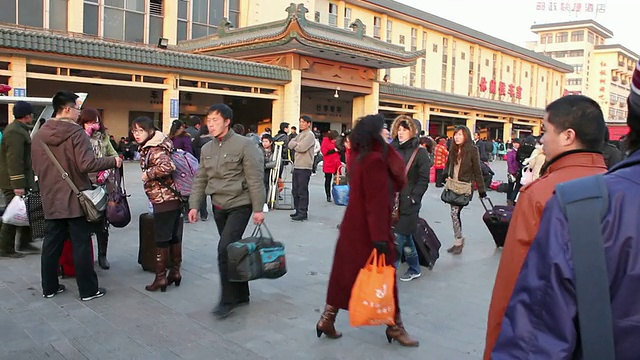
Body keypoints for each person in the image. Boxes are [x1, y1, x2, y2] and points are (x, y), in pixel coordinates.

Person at [491, 92, 640, 359]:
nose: (541, 139)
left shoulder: (543, 194)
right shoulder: (617, 188)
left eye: (545, 130)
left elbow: (515, 289)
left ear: (568, 136)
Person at [316, 114, 419, 347]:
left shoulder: (360, 157)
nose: (387, 132)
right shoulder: (375, 160)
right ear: (375, 134)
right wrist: (380, 237)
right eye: (383, 129)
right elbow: (377, 201)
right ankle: (395, 327)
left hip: (353, 227)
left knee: (344, 276)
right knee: (385, 278)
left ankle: (327, 319)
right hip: (371, 231)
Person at [32, 91, 122, 301]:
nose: (78, 113)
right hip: (74, 198)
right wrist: (112, 161)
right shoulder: (75, 133)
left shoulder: (39, 134)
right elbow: (87, 165)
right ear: (66, 109)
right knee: (81, 243)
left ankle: (49, 287)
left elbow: (36, 166)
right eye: (77, 109)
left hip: (50, 198)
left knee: (51, 243)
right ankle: (88, 290)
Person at [188, 104, 265, 318]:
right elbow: (201, 178)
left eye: (215, 120)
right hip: (219, 206)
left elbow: (255, 178)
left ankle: (227, 300)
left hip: (240, 204)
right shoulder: (206, 149)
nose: (210, 124)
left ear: (227, 121)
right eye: (208, 120)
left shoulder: (245, 145)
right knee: (234, 250)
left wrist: (259, 208)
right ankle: (242, 293)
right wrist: (194, 205)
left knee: (224, 250)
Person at [132, 116, 185, 292]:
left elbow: (168, 166)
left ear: (149, 130)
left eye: (140, 130)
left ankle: (160, 277)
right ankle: (175, 272)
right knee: (173, 236)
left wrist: (147, 174)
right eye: (134, 131)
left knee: (161, 238)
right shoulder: (159, 144)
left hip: (164, 199)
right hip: (173, 198)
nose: (136, 134)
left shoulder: (154, 148)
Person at [390, 116, 430, 281]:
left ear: (412, 132)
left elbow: (423, 179)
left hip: (409, 203)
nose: (401, 133)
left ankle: (391, 269)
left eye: (405, 130)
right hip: (392, 201)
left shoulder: (420, 153)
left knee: (399, 237)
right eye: (399, 129)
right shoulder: (392, 149)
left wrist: (414, 197)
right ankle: (414, 267)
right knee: (404, 238)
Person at [77, 108, 118, 270]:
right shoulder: (78, 138)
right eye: (89, 122)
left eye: (96, 121)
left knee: (102, 223)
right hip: (84, 184)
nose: (94, 125)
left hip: (103, 183)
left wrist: (107, 166)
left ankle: (102, 255)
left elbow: (114, 155)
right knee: (84, 222)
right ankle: (86, 256)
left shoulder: (104, 138)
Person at [0, 101, 39, 257]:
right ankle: (5, 247)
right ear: (27, 115)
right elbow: (14, 160)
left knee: (25, 210)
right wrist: (17, 184)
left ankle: (25, 242)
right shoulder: (15, 132)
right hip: (12, 181)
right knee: (13, 213)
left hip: (21, 179)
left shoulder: (20, 129)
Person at [443, 126, 486, 255]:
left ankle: (459, 241)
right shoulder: (453, 149)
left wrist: (482, 190)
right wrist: (445, 176)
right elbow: (448, 164)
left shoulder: (473, 150)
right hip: (453, 185)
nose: (457, 137)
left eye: (460, 135)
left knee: (454, 213)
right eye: (455, 134)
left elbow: (478, 170)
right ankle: (458, 240)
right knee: (455, 213)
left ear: (466, 136)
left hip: (464, 186)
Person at [288, 115, 316, 221]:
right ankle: (297, 209)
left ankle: (303, 212)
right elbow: (290, 144)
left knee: (302, 190)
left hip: (305, 166)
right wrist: (296, 144)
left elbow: (302, 148)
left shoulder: (310, 135)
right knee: (295, 190)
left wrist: (296, 144)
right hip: (297, 165)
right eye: (300, 121)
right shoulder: (300, 134)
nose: (301, 123)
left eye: (303, 122)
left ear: (308, 123)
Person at [320, 130, 341, 203]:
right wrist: (334, 150)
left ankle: (336, 194)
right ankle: (328, 195)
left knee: (337, 179)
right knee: (328, 180)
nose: (335, 140)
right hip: (328, 162)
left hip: (336, 163)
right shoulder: (325, 141)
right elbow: (324, 152)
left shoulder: (336, 142)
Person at [505, 138, 521, 206]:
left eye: (517, 143)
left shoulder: (521, 152)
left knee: (517, 186)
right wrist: (511, 172)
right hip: (512, 172)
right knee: (510, 186)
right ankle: (509, 199)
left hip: (519, 171)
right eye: (514, 143)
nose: (516, 144)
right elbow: (509, 163)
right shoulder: (510, 152)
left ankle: (513, 199)